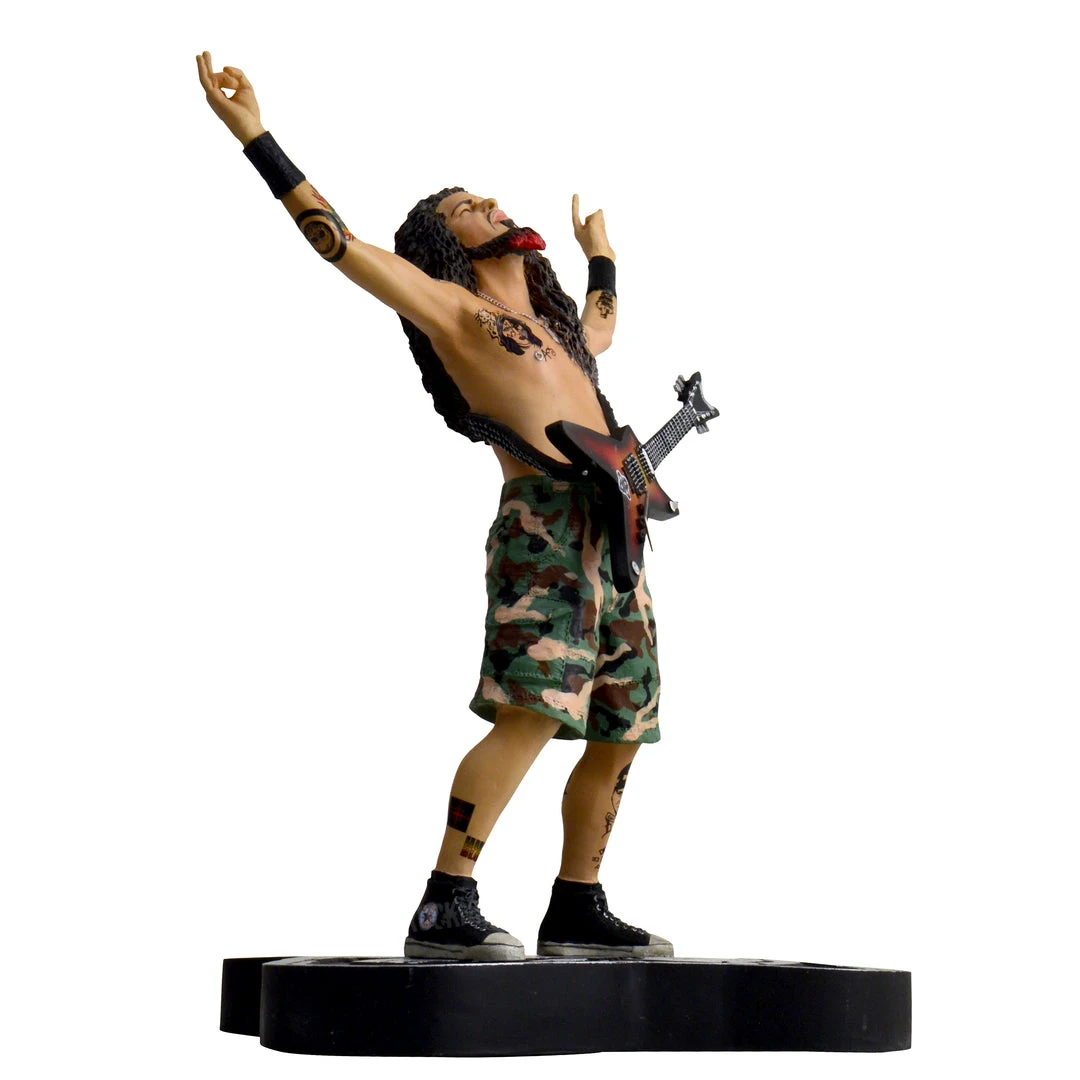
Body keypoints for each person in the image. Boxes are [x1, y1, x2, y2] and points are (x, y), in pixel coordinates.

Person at [197, 52, 671, 961]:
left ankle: (577, 903)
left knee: (623, 725)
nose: (490, 204)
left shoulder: (561, 334)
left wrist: (601, 252)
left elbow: (605, 322)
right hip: (542, 529)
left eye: (487, 197)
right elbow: (337, 242)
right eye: (466, 207)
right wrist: (255, 134)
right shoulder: (453, 311)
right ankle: (445, 902)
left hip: (616, 534)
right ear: (445, 241)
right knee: (534, 712)